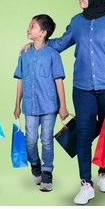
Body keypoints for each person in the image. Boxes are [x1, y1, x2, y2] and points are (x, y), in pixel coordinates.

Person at [25, 0, 105, 204]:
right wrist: (37, 43)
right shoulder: (77, 21)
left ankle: (104, 173)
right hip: (82, 88)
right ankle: (86, 184)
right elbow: (60, 43)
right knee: (83, 135)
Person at [14, 14, 69, 192]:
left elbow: (58, 81)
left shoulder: (53, 55)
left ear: (43, 32)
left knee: (46, 139)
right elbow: (20, 79)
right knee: (30, 140)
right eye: (29, 25)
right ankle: (35, 165)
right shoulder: (24, 54)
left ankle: (47, 171)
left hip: (49, 106)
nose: (28, 28)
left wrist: (63, 106)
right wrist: (17, 104)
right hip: (29, 106)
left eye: (33, 26)